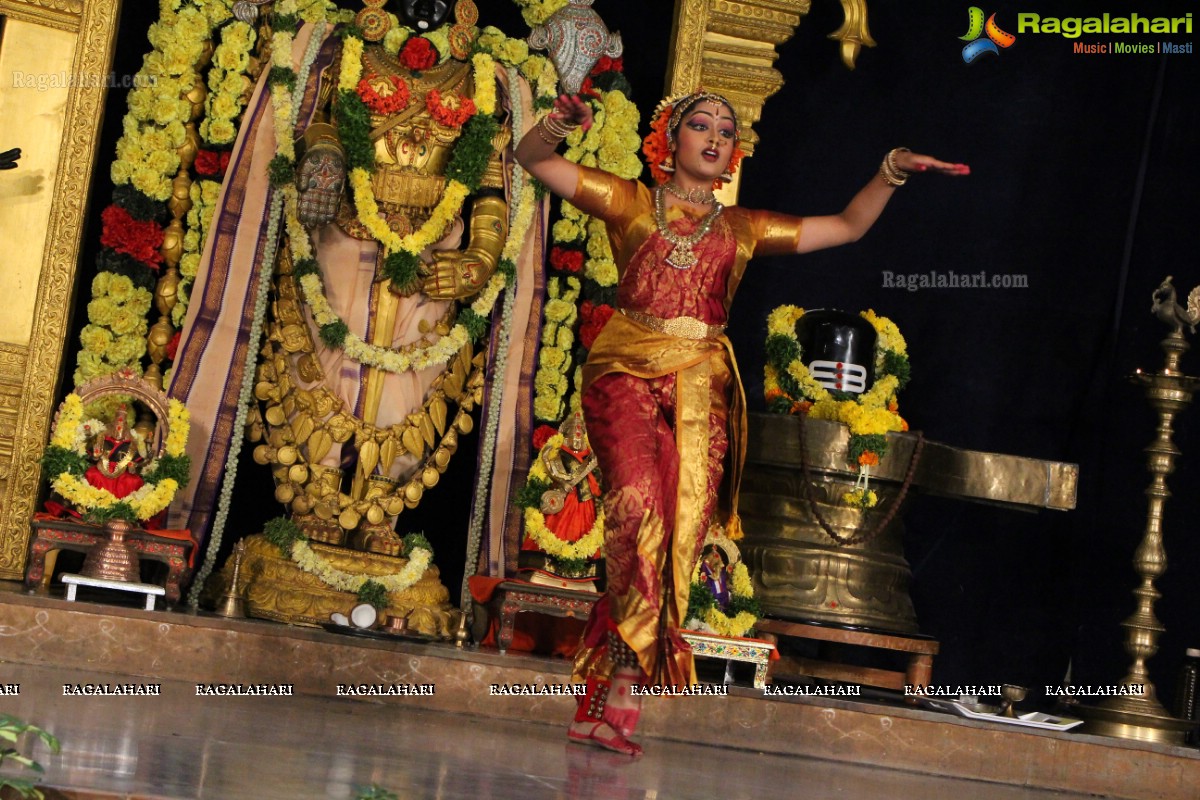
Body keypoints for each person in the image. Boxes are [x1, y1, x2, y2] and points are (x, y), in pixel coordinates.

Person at [515, 88, 968, 756]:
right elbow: (533, 159)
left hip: (702, 382)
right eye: (701, 125)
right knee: (638, 509)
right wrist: (557, 123)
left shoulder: (743, 228)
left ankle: (602, 687)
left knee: (682, 534)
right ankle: (622, 686)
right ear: (669, 140)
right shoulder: (629, 201)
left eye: (726, 131)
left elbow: (846, 227)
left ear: (732, 156)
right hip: (628, 373)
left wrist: (889, 173)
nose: (715, 136)